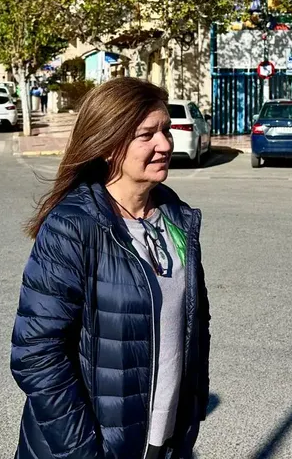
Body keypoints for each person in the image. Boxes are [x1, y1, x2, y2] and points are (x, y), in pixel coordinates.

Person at [11, 77, 210, 459]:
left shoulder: (177, 218)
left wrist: (190, 414)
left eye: (166, 130)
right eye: (147, 135)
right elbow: (36, 354)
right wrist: (82, 451)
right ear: (107, 145)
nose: (165, 144)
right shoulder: (73, 226)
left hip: (162, 443)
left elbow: (195, 323)